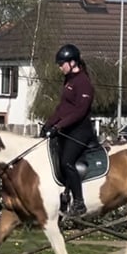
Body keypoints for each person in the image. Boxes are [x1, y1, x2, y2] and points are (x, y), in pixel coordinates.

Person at [40, 44, 96, 216]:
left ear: (72, 62)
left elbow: (79, 111)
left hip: (81, 130)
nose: (59, 67)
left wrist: (59, 126)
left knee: (66, 161)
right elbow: (63, 108)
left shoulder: (83, 82)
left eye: (61, 63)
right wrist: (48, 124)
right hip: (69, 128)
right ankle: (63, 193)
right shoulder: (69, 81)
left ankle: (79, 202)